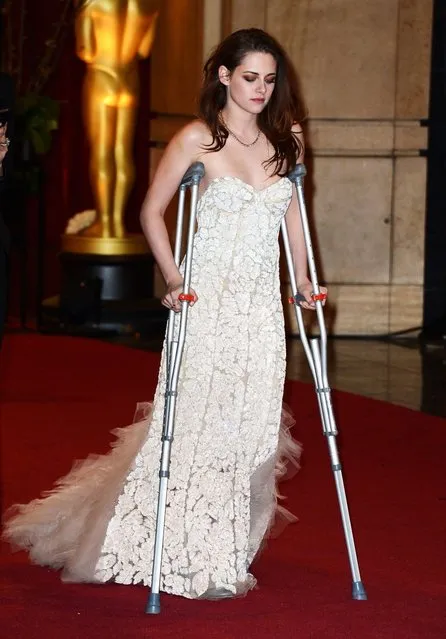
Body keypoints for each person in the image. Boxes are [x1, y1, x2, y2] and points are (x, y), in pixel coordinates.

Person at [3, 28, 327, 599]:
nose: (260, 89)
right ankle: (167, 537)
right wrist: (175, 279)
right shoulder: (197, 139)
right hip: (206, 305)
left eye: (270, 80)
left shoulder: (288, 139)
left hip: (260, 312)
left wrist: (304, 279)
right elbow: (153, 213)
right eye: (249, 77)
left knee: (249, 429)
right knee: (196, 425)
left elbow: (293, 217)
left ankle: (222, 541)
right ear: (224, 76)